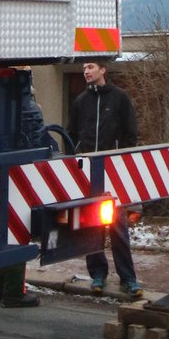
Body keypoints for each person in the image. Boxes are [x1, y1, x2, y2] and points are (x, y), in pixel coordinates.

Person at [68, 59, 143, 299]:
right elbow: (72, 134)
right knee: (92, 225)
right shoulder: (80, 102)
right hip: (88, 172)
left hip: (113, 172)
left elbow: (130, 133)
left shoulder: (120, 98)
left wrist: (122, 162)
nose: (86, 71)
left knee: (118, 225)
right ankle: (98, 274)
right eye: (84, 68)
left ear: (103, 70)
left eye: (91, 67)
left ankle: (128, 278)